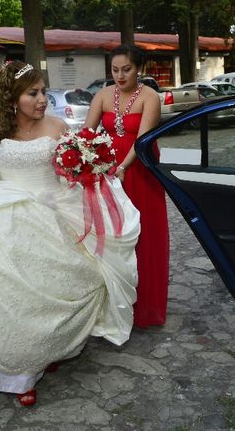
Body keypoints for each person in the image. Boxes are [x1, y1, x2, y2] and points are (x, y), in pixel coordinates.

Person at [0, 61, 140, 406]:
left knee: (49, 288)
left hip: (50, 210)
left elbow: (70, 171)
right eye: (33, 93)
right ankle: (12, 373)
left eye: (41, 92)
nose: (41, 100)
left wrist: (86, 167)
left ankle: (39, 357)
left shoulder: (57, 127)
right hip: (2, 209)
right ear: (12, 98)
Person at [84, 44, 170, 328]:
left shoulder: (150, 96)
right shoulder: (102, 95)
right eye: (115, 70)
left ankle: (146, 308)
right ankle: (112, 305)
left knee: (144, 236)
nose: (120, 75)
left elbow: (142, 140)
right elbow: (87, 134)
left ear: (139, 69)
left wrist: (123, 167)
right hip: (108, 172)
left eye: (127, 69)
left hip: (139, 171)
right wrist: (82, 157)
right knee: (111, 237)